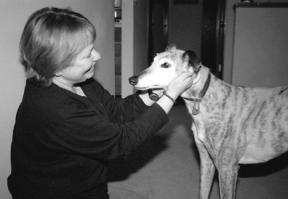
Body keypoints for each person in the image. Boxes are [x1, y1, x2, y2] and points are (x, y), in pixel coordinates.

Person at [7, 7, 194, 199]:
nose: (98, 56)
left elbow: (115, 112)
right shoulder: (57, 110)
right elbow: (122, 142)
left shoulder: (80, 82)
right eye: (88, 54)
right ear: (58, 66)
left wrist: (154, 94)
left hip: (83, 180)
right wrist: (170, 97)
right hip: (55, 192)